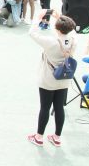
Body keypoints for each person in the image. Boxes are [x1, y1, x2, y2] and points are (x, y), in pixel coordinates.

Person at [28, 10, 77, 147]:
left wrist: (38, 17)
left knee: (45, 107)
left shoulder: (51, 42)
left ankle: (39, 137)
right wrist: (60, 17)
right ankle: (57, 137)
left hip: (48, 80)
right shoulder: (73, 40)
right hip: (64, 80)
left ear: (57, 28)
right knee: (59, 108)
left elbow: (32, 33)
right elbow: (72, 30)